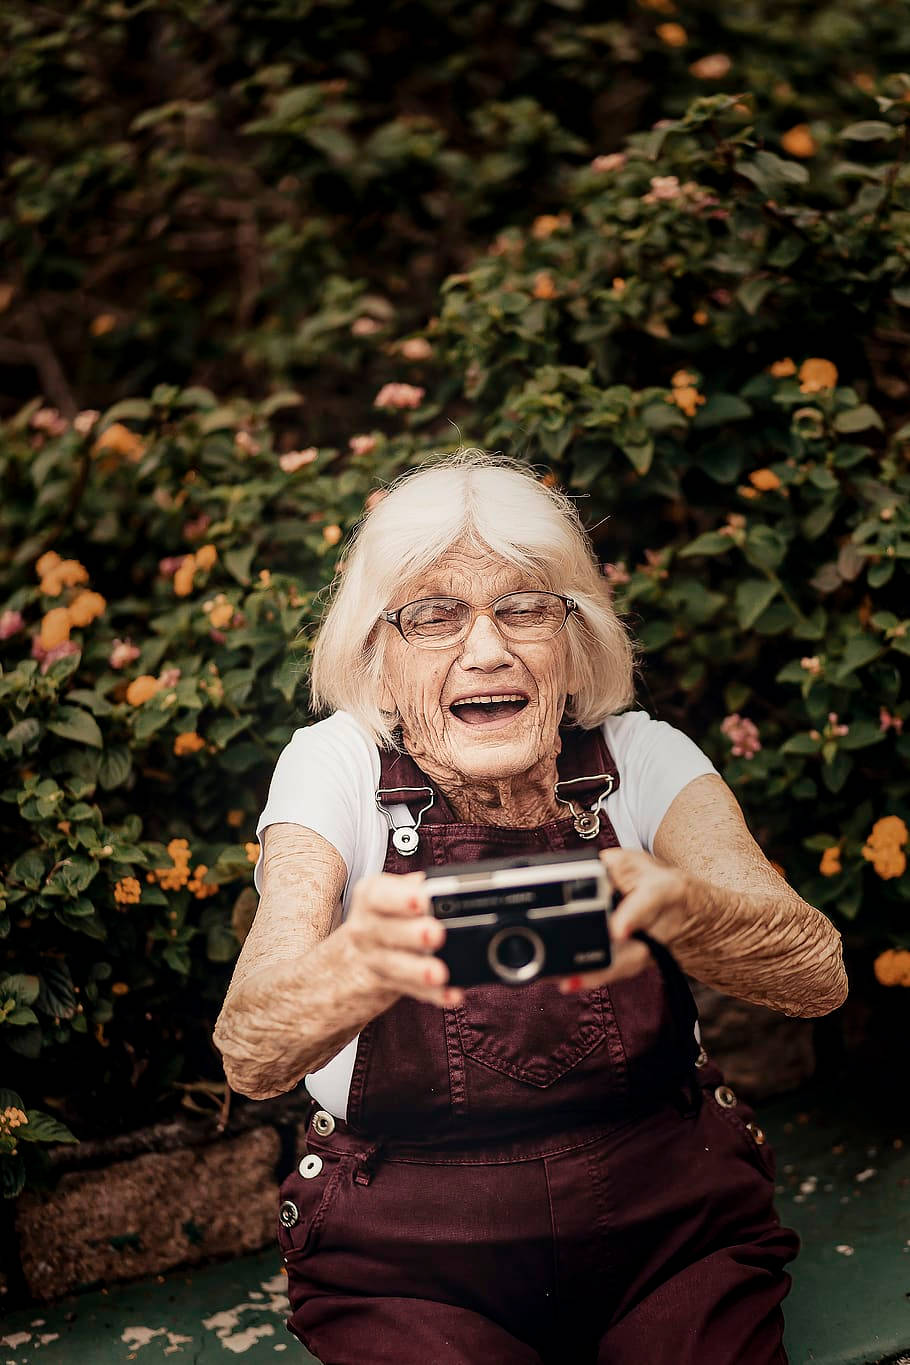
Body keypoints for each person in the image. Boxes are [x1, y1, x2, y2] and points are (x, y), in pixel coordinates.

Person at [212, 449, 847, 1365]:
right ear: (378, 660)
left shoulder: (644, 755)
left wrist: (681, 906)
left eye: (524, 607)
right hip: (409, 1253)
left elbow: (817, 975)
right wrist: (360, 966)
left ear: (575, 640)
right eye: (434, 615)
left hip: (671, 1225)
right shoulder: (336, 765)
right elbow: (249, 1052)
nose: (487, 647)